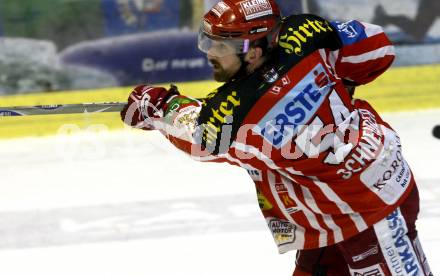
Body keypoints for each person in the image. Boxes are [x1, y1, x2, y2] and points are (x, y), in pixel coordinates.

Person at [121, 0, 433, 275]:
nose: (210, 54)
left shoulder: (245, 115)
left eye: (221, 47)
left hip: (369, 214)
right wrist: (332, 81)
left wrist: (157, 105)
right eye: (209, 42)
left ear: (254, 52)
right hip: (350, 196)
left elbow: (202, 137)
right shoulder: (306, 33)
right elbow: (378, 49)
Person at [373, 0, 440, 43]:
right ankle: (384, 18)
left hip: (431, 4)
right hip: (431, 3)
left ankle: (384, 18)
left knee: (417, 33)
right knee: (418, 32)